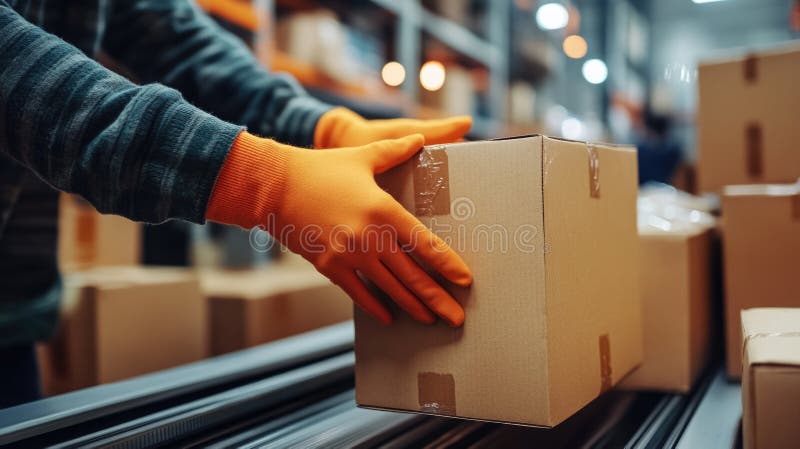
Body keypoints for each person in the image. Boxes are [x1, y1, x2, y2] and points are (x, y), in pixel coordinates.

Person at [0, 1, 473, 408]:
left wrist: (323, 129)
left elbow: (180, 45)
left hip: (15, 312)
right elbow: (21, 76)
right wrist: (265, 183)